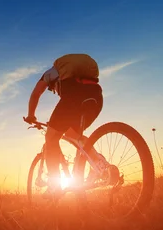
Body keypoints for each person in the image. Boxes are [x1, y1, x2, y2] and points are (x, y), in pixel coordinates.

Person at [24, 53, 109, 198]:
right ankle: (100, 164)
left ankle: (53, 185)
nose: (55, 91)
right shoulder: (84, 75)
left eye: (53, 90)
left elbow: (36, 94)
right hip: (96, 96)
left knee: (51, 138)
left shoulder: (50, 73)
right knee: (73, 135)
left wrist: (31, 115)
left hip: (73, 98)